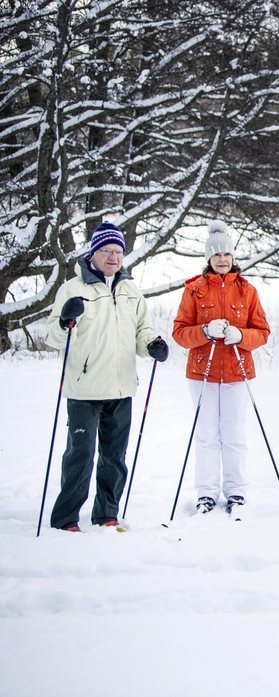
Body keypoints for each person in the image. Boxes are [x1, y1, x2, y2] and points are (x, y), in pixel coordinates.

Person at [44, 221, 169, 531]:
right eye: (106, 251)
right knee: (81, 456)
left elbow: (142, 329)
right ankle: (65, 519)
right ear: (93, 253)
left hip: (121, 386)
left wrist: (152, 344)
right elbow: (53, 336)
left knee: (114, 456)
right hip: (84, 389)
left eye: (118, 252)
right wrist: (64, 321)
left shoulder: (130, 289)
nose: (113, 257)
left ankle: (106, 514)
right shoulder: (72, 290)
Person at [172, 222, 270, 516]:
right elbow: (179, 333)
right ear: (208, 258)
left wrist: (241, 336)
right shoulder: (194, 290)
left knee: (234, 434)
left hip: (237, 374)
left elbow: (262, 332)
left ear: (233, 256)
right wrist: (205, 330)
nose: (223, 259)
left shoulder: (247, 290)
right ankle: (206, 493)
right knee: (206, 436)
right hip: (202, 374)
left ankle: (236, 491)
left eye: (227, 253)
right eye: (217, 255)